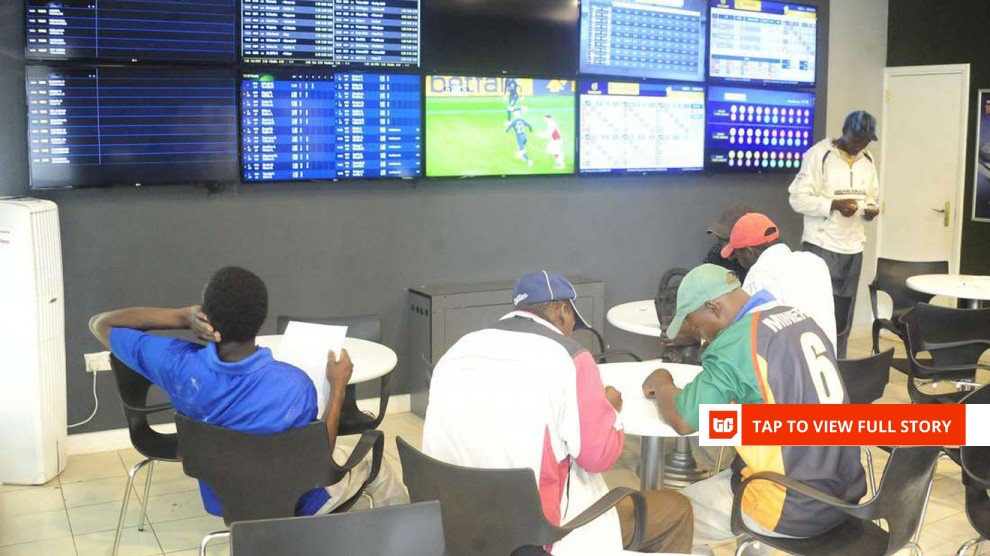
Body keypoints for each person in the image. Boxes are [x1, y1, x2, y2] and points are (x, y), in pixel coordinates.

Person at [88, 266, 408, 517]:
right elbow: (319, 458)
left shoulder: (176, 365)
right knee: (376, 464)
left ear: (206, 317)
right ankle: (407, 538)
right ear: (260, 318)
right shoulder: (293, 385)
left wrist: (180, 317)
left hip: (224, 498)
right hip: (299, 501)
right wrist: (337, 388)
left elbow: (100, 324)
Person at [422, 271, 693, 555]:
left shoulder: (457, 349)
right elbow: (599, 456)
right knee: (677, 509)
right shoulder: (570, 357)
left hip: (454, 525)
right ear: (563, 311)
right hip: (533, 536)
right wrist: (610, 409)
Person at [641, 264, 865, 551]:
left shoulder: (737, 342)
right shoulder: (799, 318)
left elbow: (684, 420)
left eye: (696, 326)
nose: (702, 337)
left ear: (713, 307)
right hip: (845, 496)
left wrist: (662, 382)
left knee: (662, 525)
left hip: (792, 505)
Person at [788, 110, 881, 357]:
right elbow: (797, 199)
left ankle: (839, 364)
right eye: (856, 140)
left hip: (853, 247)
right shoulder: (819, 155)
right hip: (822, 245)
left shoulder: (867, 159)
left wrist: (870, 210)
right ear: (844, 131)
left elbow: (871, 196)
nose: (859, 146)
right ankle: (813, 363)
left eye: (865, 141)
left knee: (843, 317)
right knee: (818, 311)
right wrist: (833, 205)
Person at [721, 212, 837, 350]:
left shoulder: (759, 274)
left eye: (737, 256)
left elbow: (746, 334)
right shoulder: (815, 262)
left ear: (750, 252)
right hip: (827, 359)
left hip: (789, 361)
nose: (738, 262)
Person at [704, 204, 754, 282]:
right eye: (720, 238)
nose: (724, 249)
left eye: (729, 240)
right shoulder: (715, 255)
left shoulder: (764, 265)